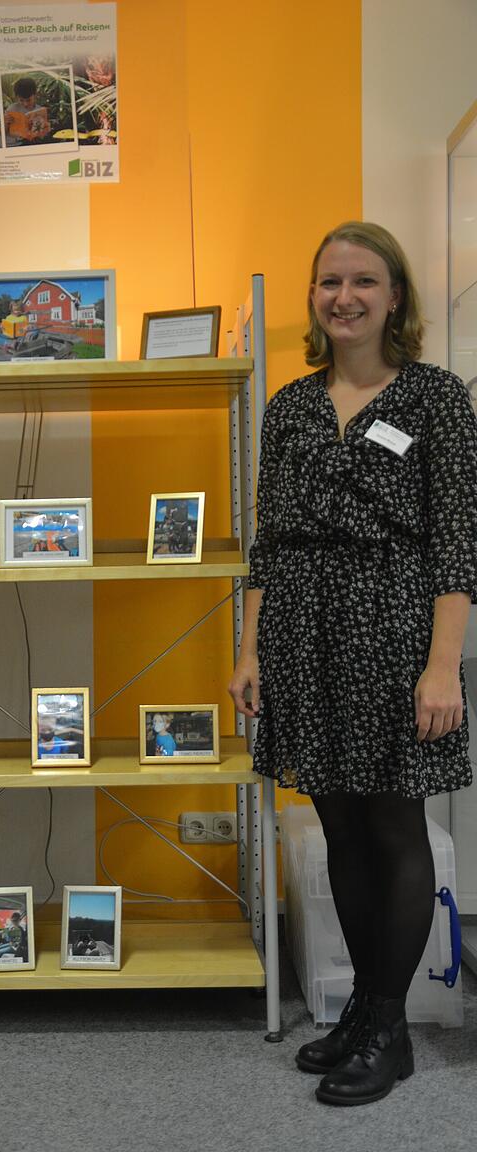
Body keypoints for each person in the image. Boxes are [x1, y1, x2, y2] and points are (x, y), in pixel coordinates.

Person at [228, 222, 477, 1107]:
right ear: (313, 296)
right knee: (339, 829)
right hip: (302, 632)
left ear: (395, 296)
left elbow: (457, 547)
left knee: (395, 832)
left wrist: (443, 667)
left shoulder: (437, 400)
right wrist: (251, 649)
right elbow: (268, 541)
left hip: (395, 632)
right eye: (329, 281)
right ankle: (366, 1013)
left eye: (364, 282)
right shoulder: (289, 406)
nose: (345, 297)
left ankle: (389, 1027)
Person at [3, 76, 50, 146]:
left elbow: (41, 135)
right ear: (17, 97)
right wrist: (5, 123)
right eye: (21, 100)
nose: (25, 104)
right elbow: (2, 133)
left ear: (35, 95)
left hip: (24, 144)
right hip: (8, 144)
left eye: (28, 100)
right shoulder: (12, 108)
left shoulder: (39, 111)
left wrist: (45, 129)